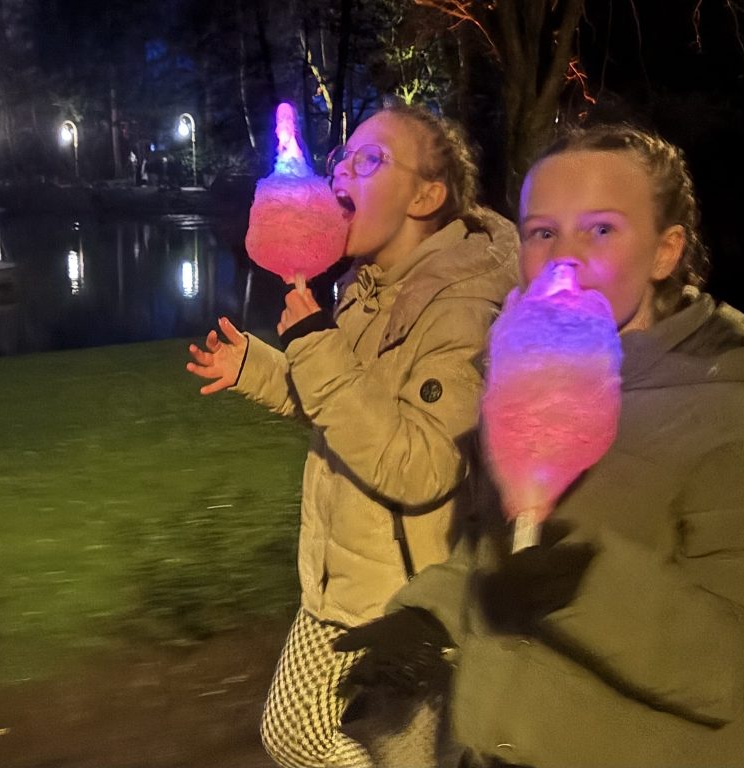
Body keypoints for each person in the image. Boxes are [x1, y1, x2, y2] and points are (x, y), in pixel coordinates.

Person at [337, 124, 744, 768]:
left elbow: (731, 673)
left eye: (602, 230)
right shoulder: (523, 377)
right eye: (542, 232)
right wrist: (424, 617)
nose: (565, 258)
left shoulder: (731, 409)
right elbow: (491, 551)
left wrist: (588, 588)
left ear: (666, 251)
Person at [185, 102, 519, 768]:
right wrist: (259, 364)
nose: (343, 173)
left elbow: (420, 465)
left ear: (428, 195)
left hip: (404, 599)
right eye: (344, 158)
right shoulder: (365, 289)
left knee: (358, 746)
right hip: (339, 577)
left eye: (372, 160)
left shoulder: (465, 309)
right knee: (314, 734)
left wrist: (315, 345)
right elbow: (348, 411)